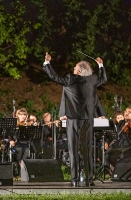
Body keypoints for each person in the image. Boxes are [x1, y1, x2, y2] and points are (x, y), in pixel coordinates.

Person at [43, 52, 107, 187]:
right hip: (88, 119)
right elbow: (103, 79)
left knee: (73, 150)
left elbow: (55, 77)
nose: (73, 69)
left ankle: (75, 180)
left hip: (73, 119)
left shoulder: (71, 78)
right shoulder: (93, 79)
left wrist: (47, 63)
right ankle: (89, 180)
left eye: (75, 68)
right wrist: (100, 65)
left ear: (79, 70)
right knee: (87, 150)